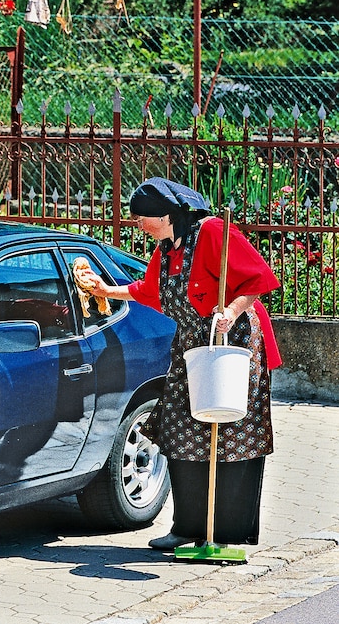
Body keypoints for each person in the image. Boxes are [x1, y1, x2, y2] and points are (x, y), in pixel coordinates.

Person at [85, 177, 281, 551]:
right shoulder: (166, 249)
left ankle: (225, 533)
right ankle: (187, 527)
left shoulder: (213, 232)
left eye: (141, 217)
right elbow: (149, 291)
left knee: (232, 435)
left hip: (234, 343)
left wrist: (232, 310)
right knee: (178, 430)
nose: (137, 224)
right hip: (191, 346)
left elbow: (258, 279)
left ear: (164, 215)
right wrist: (105, 290)